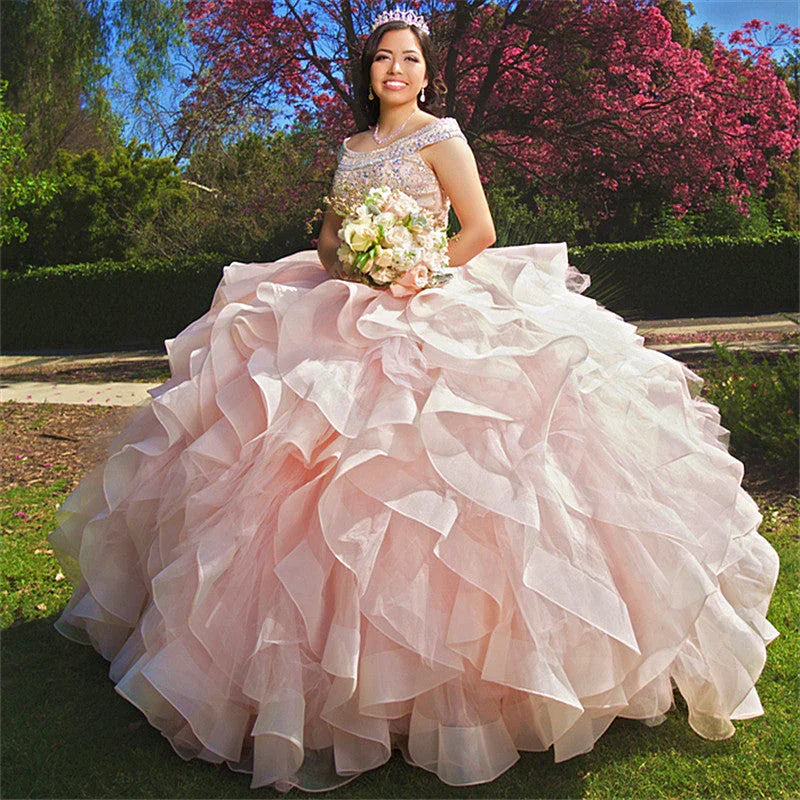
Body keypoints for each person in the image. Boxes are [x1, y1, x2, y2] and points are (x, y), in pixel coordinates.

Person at [50, 8, 779, 793]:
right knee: (291, 455)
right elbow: (330, 238)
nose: (394, 71)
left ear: (428, 73)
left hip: (430, 297)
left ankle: (472, 682)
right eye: (381, 60)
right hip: (347, 300)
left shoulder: (443, 137)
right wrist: (349, 261)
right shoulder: (351, 149)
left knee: (453, 468)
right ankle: (326, 678)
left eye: (408, 60)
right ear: (368, 74)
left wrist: (415, 269)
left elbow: (480, 229)